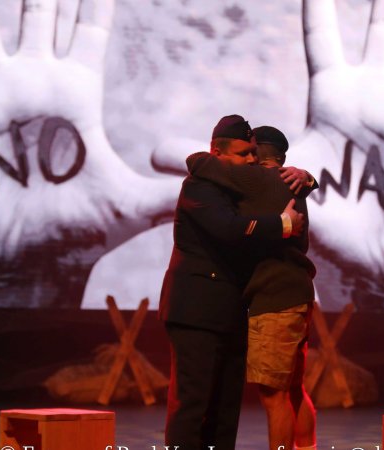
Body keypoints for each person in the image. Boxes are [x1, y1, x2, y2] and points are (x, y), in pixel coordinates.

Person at [158, 115, 306, 450]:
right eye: (243, 154)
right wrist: (283, 224)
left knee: (226, 410)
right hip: (196, 313)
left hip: (231, 310)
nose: (252, 160)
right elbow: (227, 227)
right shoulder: (199, 185)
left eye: (254, 152)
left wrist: (306, 178)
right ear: (217, 154)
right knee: (193, 405)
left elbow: (277, 188)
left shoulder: (239, 189)